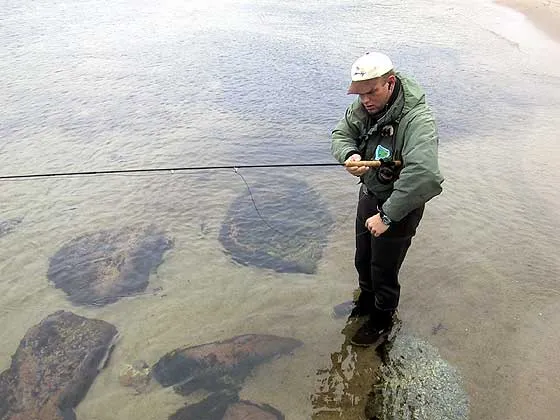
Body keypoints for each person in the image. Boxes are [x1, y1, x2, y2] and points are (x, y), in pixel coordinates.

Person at [331, 51, 444, 346]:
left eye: (371, 92)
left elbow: (425, 176)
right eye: (360, 93)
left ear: (390, 83)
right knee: (363, 259)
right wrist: (350, 155)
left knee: (384, 268)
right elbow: (341, 134)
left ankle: (382, 319)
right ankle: (365, 302)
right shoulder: (364, 107)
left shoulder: (418, 120)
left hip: (399, 205)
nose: (365, 100)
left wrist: (387, 216)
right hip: (369, 193)